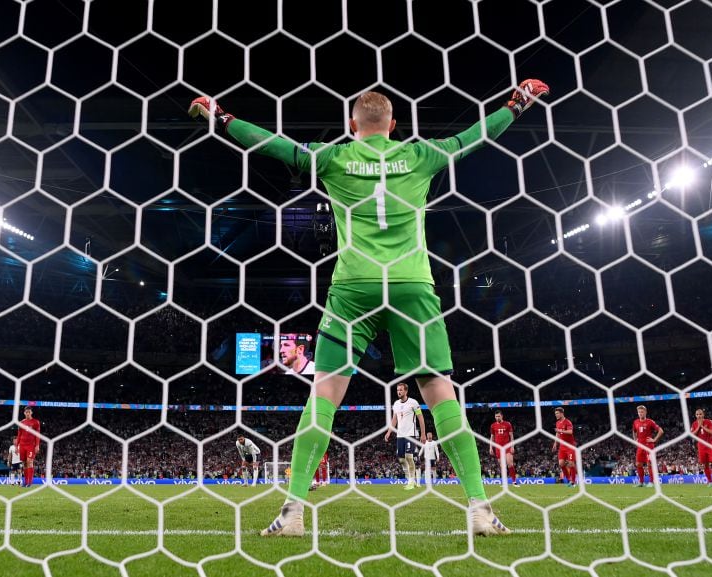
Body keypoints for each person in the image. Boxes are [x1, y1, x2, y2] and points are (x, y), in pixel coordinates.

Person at [191, 78, 549, 537]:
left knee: (322, 396)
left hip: (354, 287)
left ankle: (293, 512)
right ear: (394, 125)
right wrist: (516, 105)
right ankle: (480, 507)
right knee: (440, 392)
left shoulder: (335, 157)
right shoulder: (422, 154)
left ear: (351, 125)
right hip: (411, 285)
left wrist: (222, 117)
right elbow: (478, 135)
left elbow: (274, 145)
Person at [690, 408, 712, 487]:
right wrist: (699, 426)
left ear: (703, 415)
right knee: (705, 465)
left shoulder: (709, 422)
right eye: (697, 414)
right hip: (701, 446)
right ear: (695, 415)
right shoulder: (694, 424)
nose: (699, 416)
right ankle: (710, 482)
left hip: (710, 445)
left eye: (700, 414)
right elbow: (692, 435)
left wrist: (703, 426)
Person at [632, 405, 663, 488]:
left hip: (649, 445)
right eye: (639, 412)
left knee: (649, 464)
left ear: (645, 412)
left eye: (642, 412)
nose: (640, 413)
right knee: (638, 464)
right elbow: (634, 431)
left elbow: (661, 431)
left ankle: (651, 482)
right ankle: (641, 482)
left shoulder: (650, 422)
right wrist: (635, 440)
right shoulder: (635, 422)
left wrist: (654, 440)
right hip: (640, 446)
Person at [489, 410, 517, 487]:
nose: (497, 418)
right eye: (496, 416)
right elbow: (492, 437)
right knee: (502, 466)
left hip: (507, 446)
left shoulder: (507, 424)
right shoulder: (493, 426)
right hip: (498, 448)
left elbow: (511, 436)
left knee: (510, 464)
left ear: (502, 416)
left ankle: (514, 482)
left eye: (498, 416)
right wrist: (491, 447)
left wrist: (512, 446)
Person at [552, 407, 577, 487]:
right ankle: (569, 479)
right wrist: (555, 443)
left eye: (557, 413)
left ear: (562, 413)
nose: (556, 415)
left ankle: (573, 481)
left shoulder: (568, 422)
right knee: (561, 464)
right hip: (562, 446)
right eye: (555, 414)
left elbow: (570, 432)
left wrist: (560, 431)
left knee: (571, 464)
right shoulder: (557, 423)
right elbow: (558, 434)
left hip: (570, 446)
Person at [16, 407, 41, 488]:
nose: (27, 413)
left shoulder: (36, 422)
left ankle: (30, 482)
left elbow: (37, 435)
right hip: (22, 445)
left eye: (29, 412)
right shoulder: (21, 422)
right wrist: (17, 446)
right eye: (26, 412)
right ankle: (25, 482)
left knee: (30, 462)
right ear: (24, 413)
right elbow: (19, 435)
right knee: (25, 464)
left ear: (31, 412)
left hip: (31, 445)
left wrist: (37, 445)